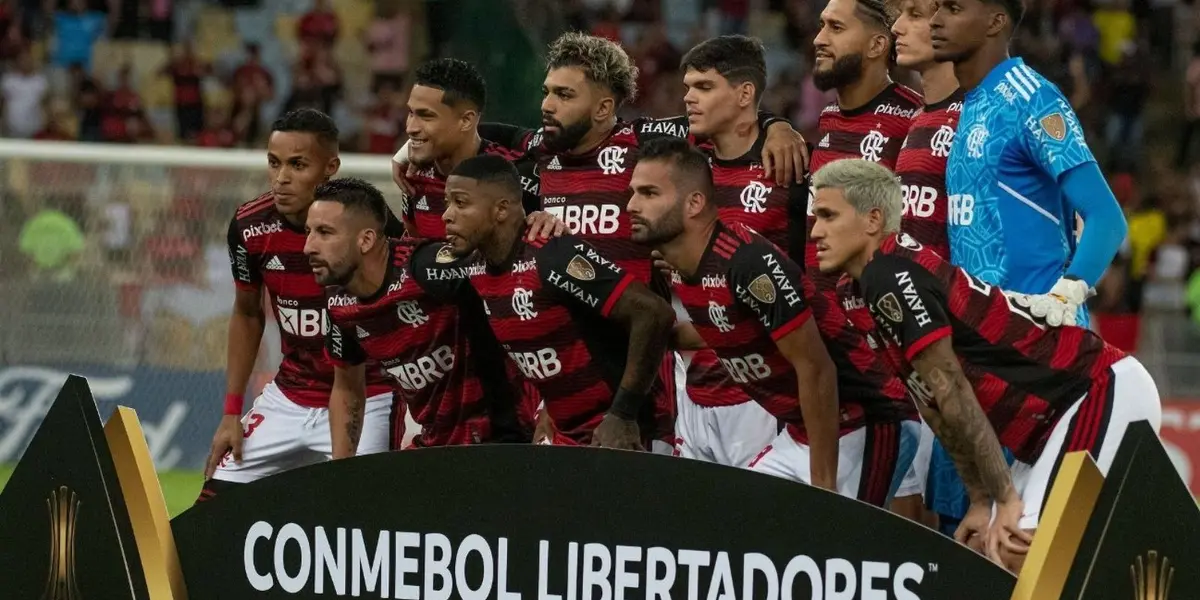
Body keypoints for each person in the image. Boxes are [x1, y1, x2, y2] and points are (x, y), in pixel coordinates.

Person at [396, 32, 807, 453]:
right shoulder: (540, 154)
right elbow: (478, 132)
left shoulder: (644, 145)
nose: (547, 105)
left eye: (564, 95)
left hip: (642, 379)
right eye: (547, 92)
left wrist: (775, 125)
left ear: (604, 108)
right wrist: (408, 149)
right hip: (569, 384)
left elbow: (727, 116)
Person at [809, 158, 1162, 573]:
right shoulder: (858, 289)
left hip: (1095, 391)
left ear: (872, 220)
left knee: (1020, 552)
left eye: (828, 216)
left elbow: (952, 388)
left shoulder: (891, 275)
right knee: (992, 552)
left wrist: (1005, 499)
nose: (815, 231)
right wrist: (981, 499)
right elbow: (931, 402)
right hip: (1051, 423)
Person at [675, 35, 916, 484]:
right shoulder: (685, 164)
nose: (688, 97)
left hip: (769, 395)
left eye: (703, 87)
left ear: (744, 94)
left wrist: (776, 126)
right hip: (700, 382)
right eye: (688, 87)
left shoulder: (791, 168)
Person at [629, 137, 919, 506]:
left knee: (834, 538)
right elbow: (723, 330)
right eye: (633, 192)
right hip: (804, 432)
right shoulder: (685, 268)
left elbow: (817, 368)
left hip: (868, 420)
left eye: (649, 193)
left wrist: (824, 489)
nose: (632, 205)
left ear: (694, 203)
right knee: (742, 526)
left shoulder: (746, 262)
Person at [198, 110, 405, 503]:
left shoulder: (370, 223)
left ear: (330, 168)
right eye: (274, 163)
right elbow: (247, 313)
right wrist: (231, 412)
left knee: (358, 515)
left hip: (370, 393)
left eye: (297, 165)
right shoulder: (249, 227)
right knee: (211, 508)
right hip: (290, 395)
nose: (281, 178)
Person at [429, 154, 677, 449]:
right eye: (447, 203)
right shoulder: (474, 267)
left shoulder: (552, 254)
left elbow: (654, 313)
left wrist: (623, 415)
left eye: (460, 203)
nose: (446, 215)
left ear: (501, 209)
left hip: (626, 433)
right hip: (568, 434)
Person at [305, 178, 562, 449]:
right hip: (437, 444)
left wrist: (536, 228)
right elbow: (347, 388)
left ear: (366, 239)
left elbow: (520, 273)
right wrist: (341, 468)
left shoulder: (428, 268)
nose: (308, 246)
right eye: (308, 232)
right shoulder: (339, 304)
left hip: (504, 439)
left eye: (324, 232)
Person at [930, 0, 1128, 328]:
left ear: (995, 22)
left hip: (1038, 332)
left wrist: (1065, 295)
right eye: (937, 8)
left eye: (953, 9)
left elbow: (1106, 217)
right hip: (983, 335)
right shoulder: (972, 104)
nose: (935, 20)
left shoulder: (1031, 98)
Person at [888, 0, 972, 529]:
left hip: (965, 353)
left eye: (914, 15)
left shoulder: (978, 117)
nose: (898, 27)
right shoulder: (919, 117)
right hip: (918, 352)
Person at [805, 0, 923, 303]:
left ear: (877, 45)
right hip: (823, 315)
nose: (819, 39)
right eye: (821, 26)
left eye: (836, 27)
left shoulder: (912, 120)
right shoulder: (829, 117)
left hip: (878, 314)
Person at [391, 57, 538, 238]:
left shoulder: (512, 177)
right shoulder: (413, 173)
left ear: (466, 121)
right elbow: (412, 244)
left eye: (426, 116)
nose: (410, 128)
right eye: (411, 113)